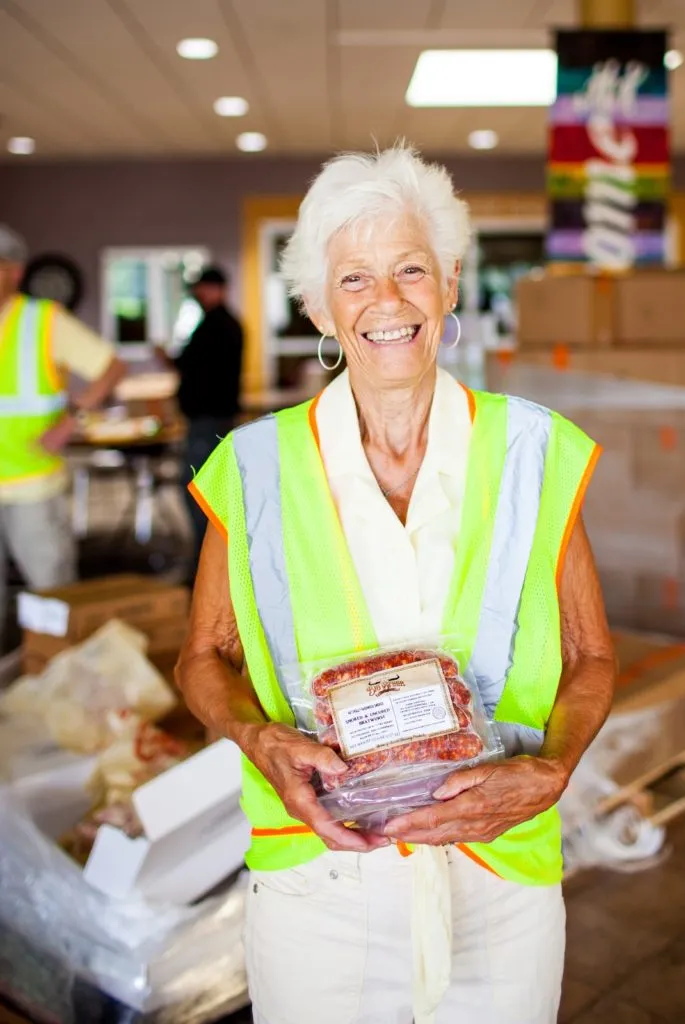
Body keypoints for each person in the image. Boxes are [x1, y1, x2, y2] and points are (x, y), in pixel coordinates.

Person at [176, 146, 615, 1024]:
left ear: (450, 283)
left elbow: (591, 653)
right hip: (319, 876)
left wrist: (555, 768)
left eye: (411, 269)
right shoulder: (253, 466)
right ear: (317, 308)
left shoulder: (531, 451)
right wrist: (259, 741)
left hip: (499, 865)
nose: (387, 301)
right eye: (354, 278)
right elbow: (203, 658)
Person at [0, 225, 125, 647]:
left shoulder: (42, 320)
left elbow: (111, 367)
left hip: (32, 484)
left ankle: (56, 671)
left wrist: (69, 420)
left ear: (14, 273)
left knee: (50, 593)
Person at [166, 265, 243, 582]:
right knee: (207, 486)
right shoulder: (219, 323)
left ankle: (206, 560)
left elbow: (193, 366)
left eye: (203, 288)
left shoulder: (219, 325)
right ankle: (210, 558)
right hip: (209, 417)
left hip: (209, 419)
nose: (198, 294)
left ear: (217, 289)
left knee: (200, 488)